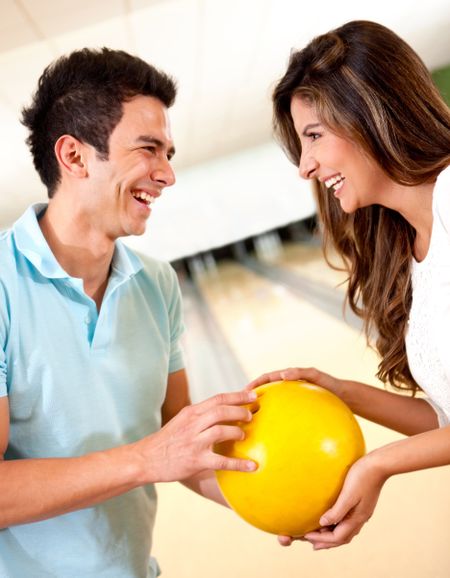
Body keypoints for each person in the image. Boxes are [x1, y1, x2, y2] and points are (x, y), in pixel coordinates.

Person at [0, 48, 257, 577]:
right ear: (74, 156)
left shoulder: (157, 284)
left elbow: (183, 446)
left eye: (168, 153)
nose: (167, 174)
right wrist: (147, 459)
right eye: (148, 149)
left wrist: (283, 500)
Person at [249, 20, 450, 550]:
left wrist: (379, 464)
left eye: (313, 135)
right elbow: (446, 423)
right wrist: (342, 394)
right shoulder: (409, 250)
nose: (306, 166)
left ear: (369, 112)